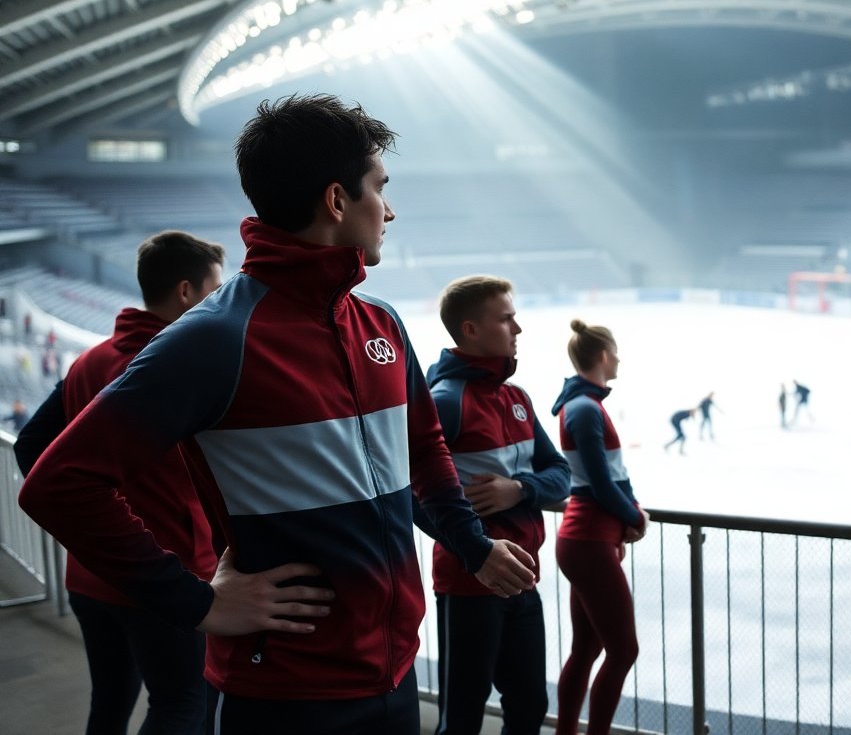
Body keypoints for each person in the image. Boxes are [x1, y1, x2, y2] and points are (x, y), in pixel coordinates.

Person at [18, 94, 536, 734]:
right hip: (285, 696)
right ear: (337, 201)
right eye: (380, 188)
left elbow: (426, 452)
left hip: (396, 675)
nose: (391, 210)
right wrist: (197, 602)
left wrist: (473, 547)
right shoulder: (214, 339)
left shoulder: (381, 324)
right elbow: (58, 483)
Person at [15, 230, 226, 734]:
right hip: (165, 575)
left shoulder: (91, 360)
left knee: (110, 703)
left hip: (92, 575)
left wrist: (90, 523)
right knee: (182, 704)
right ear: (186, 292)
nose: (222, 302)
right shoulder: (185, 367)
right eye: (215, 290)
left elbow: (30, 447)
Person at [425, 275, 571, 735]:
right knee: (463, 715)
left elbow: (562, 476)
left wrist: (520, 489)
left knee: (529, 705)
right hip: (469, 586)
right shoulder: (445, 402)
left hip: (523, 581)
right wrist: (474, 548)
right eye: (506, 319)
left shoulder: (517, 397)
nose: (518, 329)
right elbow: (409, 495)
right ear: (470, 329)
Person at [551, 319, 649, 735]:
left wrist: (626, 513)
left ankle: (566, 731)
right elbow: (601, 484)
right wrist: (635, 517)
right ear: (604, 356)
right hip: (588, 541)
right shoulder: (586, 409)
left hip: (590, 539)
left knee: (588, 647)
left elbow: (605, 479)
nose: (620, 358)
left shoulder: (584, 405)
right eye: (617, 351)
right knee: (623, 649)